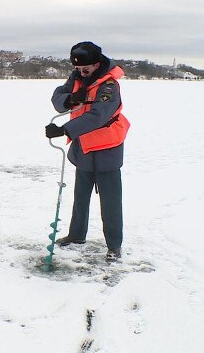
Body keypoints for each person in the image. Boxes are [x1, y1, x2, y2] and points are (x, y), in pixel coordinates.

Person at [45, 41, 130, 262]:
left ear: (96, 63)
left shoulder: (109, 86)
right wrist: (70, 99)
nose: (80, 73)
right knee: (80, 197)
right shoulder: (77, 77)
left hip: (106, 149)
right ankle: (76, 235)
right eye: (77, 69)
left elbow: (98, 117)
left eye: (85, 69)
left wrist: (65, 129)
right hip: (83, 147)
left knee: (110, 202)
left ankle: (114, 245)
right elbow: (57, 96)